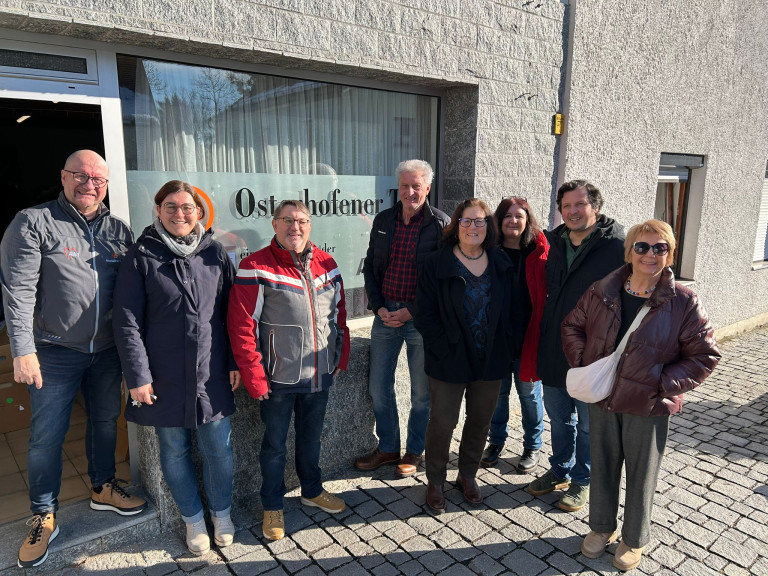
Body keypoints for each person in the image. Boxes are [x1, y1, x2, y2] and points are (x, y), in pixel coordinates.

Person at [0, 150, 147, 569]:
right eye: (80, 176)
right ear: (63, 177)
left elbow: (133, 290)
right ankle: (43, 514)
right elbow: (18, 290)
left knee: (105, 421)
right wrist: (23, 349)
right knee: (47, 436)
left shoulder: (118, 229)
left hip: (107, 350)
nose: (89, 184)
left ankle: (102, 487)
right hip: (53, 350)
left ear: (106, 185)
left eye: (98, 179)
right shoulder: (33, 221)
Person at [561, 219, 720, 571]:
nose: (650, 254)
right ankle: (600, 527)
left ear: (670, 254)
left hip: (647, 404)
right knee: (602, 465)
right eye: (642, 246)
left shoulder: (684, 302)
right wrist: (586, 363)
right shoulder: (603, 289)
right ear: (629, 251)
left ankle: (634, 538)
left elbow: (705, 356)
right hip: (603, 396)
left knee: (641, 473)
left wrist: (660, 383)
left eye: (660, 248)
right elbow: (572, 326)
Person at [112, 180, 239, 555]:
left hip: (211, 372)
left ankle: (222, 514)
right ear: (158, 210)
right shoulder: (141, 256)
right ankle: (193, 520)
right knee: (174, 450)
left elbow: (232, 313)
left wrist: (235, 361)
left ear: (199, 212)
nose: (179, 214)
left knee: (219, 450)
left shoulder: (215, 253)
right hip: (162, 376)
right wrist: (138, 376)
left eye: (187, 207)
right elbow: (127, 322)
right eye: (170, 206)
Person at [228, 200, 350, 541]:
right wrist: (254, 376)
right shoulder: (255, 266)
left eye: (301, 221)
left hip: (319, 373)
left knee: (312, 438)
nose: (295, 227)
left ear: (309, 225)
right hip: (277, 378)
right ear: (274, 224)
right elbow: (241, 326)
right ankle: (272, 504)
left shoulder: (327, 263)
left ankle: (312, 489)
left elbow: (339, 315)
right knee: (274, 446)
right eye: (287, 220)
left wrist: (340, 358)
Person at [414, 198, 523, 513]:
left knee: (479, 421)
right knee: (442, 422)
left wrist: (507, 346)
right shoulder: (437, 263)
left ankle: (467, 474)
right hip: (448, 358)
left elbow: (515, 310)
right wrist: (441, 346)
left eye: (479, 221)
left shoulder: (501, 261)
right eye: (466, 220)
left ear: (488, 226)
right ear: (456, 225)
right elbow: (424, 313)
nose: (472, 226)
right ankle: (435, 480)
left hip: (491, 359)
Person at [529, 180, 625, 512]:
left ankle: (582, 480)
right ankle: (559, 470)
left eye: (579, 205)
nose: (572, 211)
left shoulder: (617, 246)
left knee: (587, 423)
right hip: (554, 345)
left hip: (593, 351)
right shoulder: (555, 242)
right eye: (566, 206)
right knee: (559, 417)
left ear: (595, 207)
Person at [355, 159, 450, 477]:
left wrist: (413, 310)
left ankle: (414, 450)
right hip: (385, 315)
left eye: (416, 186)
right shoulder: (384, 220)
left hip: (420, 320)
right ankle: (388, 448)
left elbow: (442, 280)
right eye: (404, 185)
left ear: (428, 188)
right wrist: (378, 307)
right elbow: (370, 267)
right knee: (379, 388)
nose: (410, 192)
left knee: (421, 393)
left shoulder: (441, 224)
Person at [480, 197, 548, 472]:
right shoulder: (488, 250)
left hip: (528, 336)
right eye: (507, 215)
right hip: (496, 338)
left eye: (519, 215)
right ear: (498, 220)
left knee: (529, 395)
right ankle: (496, 441)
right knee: (498, 395)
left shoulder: (540, 250)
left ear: (527, 220)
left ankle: (532, 445)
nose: (513, 220)